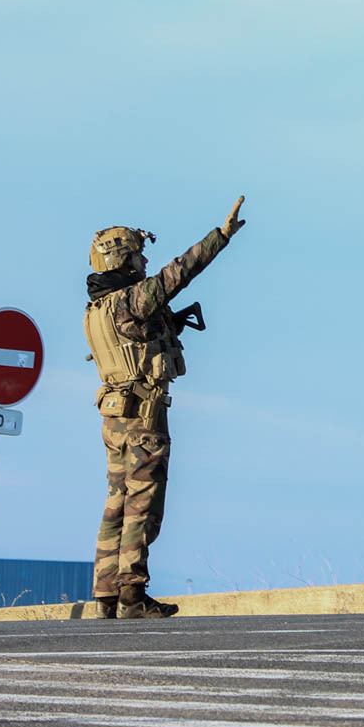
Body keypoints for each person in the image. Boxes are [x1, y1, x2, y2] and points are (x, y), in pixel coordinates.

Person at [83, 197, 245, 619]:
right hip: (143, 417)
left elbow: (135, 340)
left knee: (116, 501)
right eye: (137, 253)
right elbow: (180, 273)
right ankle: (132, 596)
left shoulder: (97, 309)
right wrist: (221, 236)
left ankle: (105, 595)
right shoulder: (131, 300)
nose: (144, 259)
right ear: (122, 258)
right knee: (143, 504)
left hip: (114, 415)